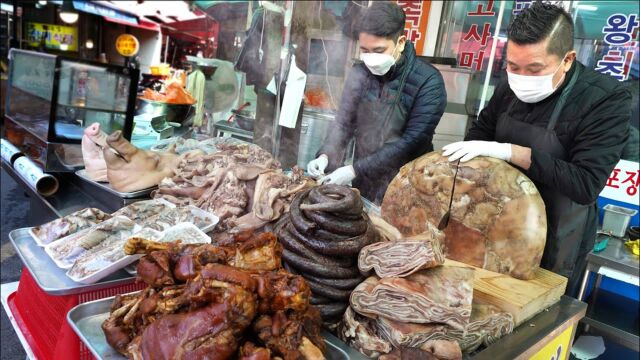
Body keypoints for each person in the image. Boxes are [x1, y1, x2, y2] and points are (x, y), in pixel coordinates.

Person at [442, 2, 631, 297]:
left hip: (555, 240)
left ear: (567, 60)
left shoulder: (606, 99)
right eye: (513, 66)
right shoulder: (511, 85)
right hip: (495, 225)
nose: (521, 77)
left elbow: (585, 184)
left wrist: (512, 152)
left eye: (535, 69)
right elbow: (481, 133)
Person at [307, 1, 447, 204]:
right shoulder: (359, 73)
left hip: (407, 184)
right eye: (365, 50)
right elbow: (343, 123)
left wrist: (354, 169)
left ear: (400, 43)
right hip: (363, 182)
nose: (370, 58)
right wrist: (326, 155)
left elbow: (411, 142)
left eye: (379, 50)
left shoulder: (428, 81)